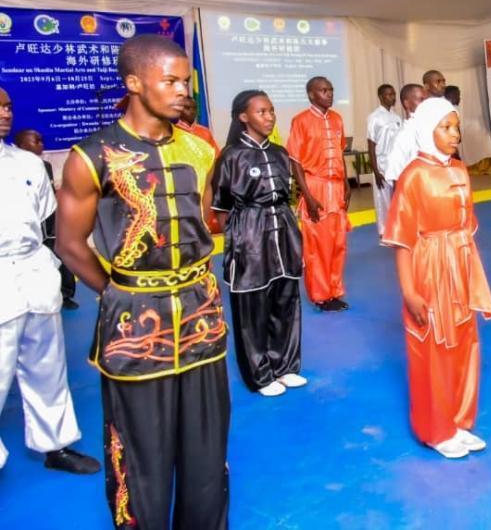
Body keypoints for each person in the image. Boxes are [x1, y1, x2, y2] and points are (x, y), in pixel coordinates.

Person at [57, 36, 229, 528]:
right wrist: (117, 292)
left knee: (206, 448)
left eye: (186, 82)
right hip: (134, 327)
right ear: (134, 82)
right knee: (139, 453)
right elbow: (70, 244)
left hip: (201, 318)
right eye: (170, 81)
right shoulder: (92, 156)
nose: (182, 91)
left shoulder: (199, 148)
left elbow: (202, 222)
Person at [383, 97, 491, 458]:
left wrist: (470, 273)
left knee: (464, 342)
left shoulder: (460, 170)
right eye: (445, 127)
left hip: (461, 266)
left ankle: (459, 420)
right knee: (433, 348)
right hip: (429, 269)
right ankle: (436, 429)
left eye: (456, 126)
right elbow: (403, 241)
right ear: (425, 130)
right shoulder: (414, 175)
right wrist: (409, 291)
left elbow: (467, 227)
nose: (454, 134)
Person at [0, 88, 99, 476]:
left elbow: (45, 218)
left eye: (8, 106)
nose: (5, 113)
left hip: (33, 272)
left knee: (48, 367)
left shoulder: (28, 163)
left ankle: (55, 445)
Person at [212, 90, 306, 396]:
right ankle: (260, 375)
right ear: (243, 117)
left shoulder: (280, 153)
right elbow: (222, 208)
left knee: (286, 301)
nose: (269, 117)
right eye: (261, 112)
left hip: (284, 232)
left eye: (271, 111)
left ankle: (285, 366)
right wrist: (238, 241)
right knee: (252, 309)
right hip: (250, 237)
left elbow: (288, 196)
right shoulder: (231, 156)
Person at [287, 76, 351, 312]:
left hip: (337, 188)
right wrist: (308, 196)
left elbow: (340, 153)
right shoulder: (301, 120)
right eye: (323, 90)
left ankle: (334, 290)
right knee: (317, 246)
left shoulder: (337, 119)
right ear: (311, 95)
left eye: (331, 89)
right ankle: (321, 296)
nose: (329, 94)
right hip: (315, 187)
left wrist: (346, 183)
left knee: (337, 243)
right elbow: (295, 161)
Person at [14, 129, 78, 308]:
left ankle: (66, 295)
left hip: (51, 223)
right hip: (29, 225)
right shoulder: (12, 168)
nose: (41, 145)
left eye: (41, 140)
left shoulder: (45, 166)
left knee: (63, 257)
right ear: (22, 145)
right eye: (36, 141)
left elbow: (50, 195)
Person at [175, 96, 222, 233]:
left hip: (204, 182)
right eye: (187, 108)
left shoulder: (204, 132)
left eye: (194, 108)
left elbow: (216, 157)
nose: (191, 111)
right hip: (182, 184)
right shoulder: (172, 131)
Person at [366, 84, 402, 239]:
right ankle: (384, 231)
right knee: (383, 200)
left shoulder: (397, 117)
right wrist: (375, 170)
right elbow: (371, 145)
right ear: (381, 97)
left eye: (393, 94)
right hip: (381, 164)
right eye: (389, 94)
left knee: (397, 198)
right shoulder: (374, 117)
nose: (392, 97)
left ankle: (397, 227)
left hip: (396, 164)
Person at [384, 83, 428, 184]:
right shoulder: (402, 136)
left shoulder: (429, 130)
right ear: (407, 103)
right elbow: (396, 178)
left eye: (426, 100)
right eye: (421, 100)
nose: (426, 104)